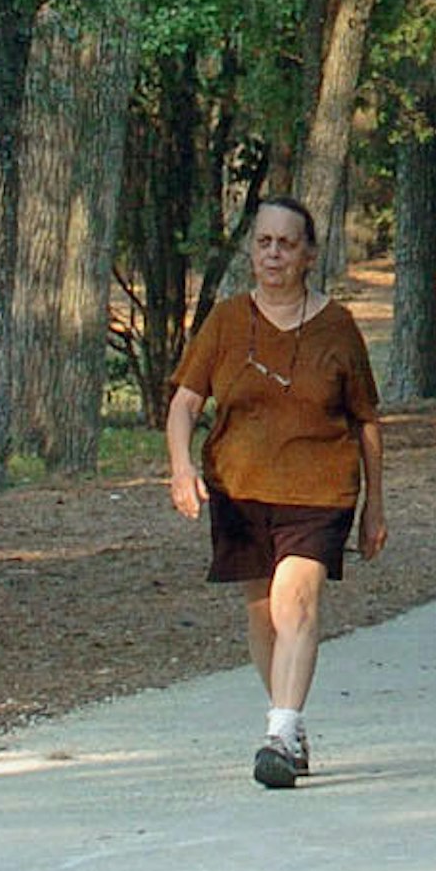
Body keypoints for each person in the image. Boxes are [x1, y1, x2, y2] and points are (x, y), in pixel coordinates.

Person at [167, 194, 386, 789]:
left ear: (308, 255)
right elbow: (186, 403)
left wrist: (374, 507)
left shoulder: (337, 327)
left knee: (297, 602)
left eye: (285, 244)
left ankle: (280, 732)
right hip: (240, 488)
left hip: (320, 489)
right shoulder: (227, 321)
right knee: (264, 616)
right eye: (263, 242)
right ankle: (291, 722)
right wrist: (181, 468)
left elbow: (366, 420)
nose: (272, 253)